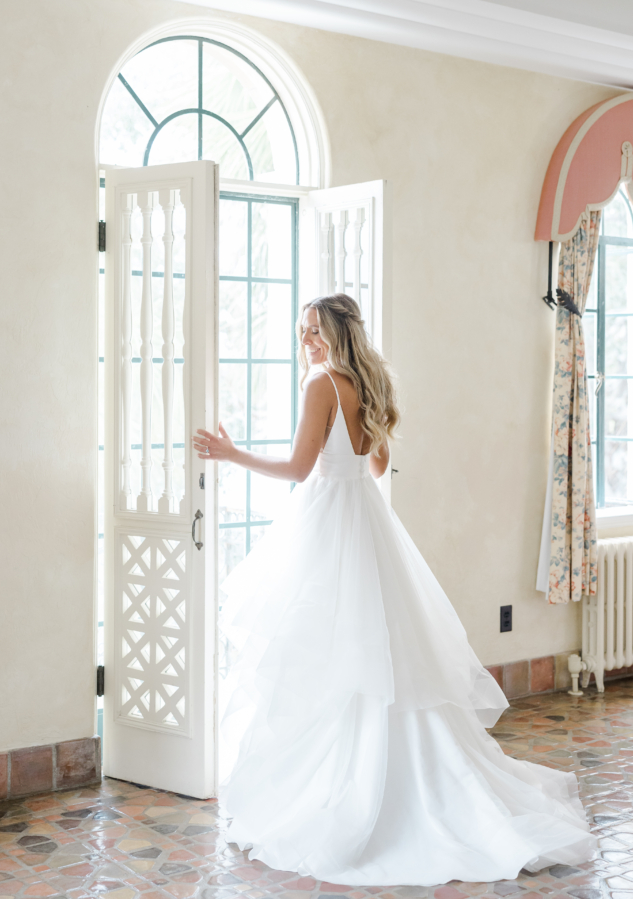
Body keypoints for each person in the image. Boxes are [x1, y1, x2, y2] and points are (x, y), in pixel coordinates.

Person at [192, 293, 596, 886]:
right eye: (302, 332)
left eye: (313, 332)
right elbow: (377, 468)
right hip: (365, 519)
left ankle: (350, 792)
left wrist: (231, 454)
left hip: (330, 520)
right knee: (378, 654)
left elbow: (301, 471)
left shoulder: (321, 384)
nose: (305, 342)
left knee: (334, 655)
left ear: (335, 333)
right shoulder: (369, 379)